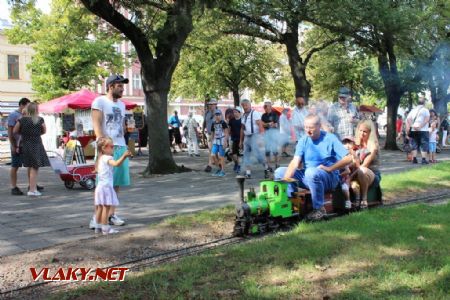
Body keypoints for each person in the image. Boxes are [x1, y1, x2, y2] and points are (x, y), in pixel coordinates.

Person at [274, 114, 352, 221]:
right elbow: (294, 162)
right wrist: (284, 181)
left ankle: (319, 209)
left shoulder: (330, 138)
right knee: (279, 171)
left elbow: (349, 159)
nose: (308, 131)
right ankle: (290, 203)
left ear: (319, 126)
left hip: (328, 177)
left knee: (311, 172)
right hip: (308, 175)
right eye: (306, 127)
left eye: (311, 128)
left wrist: (330, 168)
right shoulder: (303, 140)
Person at [90, 74, 130, 229]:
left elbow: (121, 126)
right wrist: (102, 151)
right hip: (106, 147)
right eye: (119, 86)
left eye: (123, 86)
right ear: (111, 86)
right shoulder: (99, 101)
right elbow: (97, 126)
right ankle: (96, 218)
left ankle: (111, 215)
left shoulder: (122, 105)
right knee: (103, 184)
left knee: (116, 183)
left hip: (120, 145)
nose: (122, 89)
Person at [94, 137, 132, 235]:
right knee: (106, 209)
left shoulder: (100, 158)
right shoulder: (108, 158)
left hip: (100, 187)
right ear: (104, 148)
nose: (113, 148)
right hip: (106, 187)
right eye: (111, 146)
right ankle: (105, 228)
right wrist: (124, 156)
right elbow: (116, 164)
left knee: (99, 208)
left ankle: (97, 227)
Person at [13, 102, 50, 197]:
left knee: (30, 165)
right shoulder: (39, 119)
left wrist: (24, 133)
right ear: (36, 110)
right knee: (34, 167)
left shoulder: (21, 120)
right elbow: (44, 130)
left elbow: (15, 131)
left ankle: (32, 188)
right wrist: (36, 133)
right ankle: (32, 190)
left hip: (25, 144)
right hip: (36, 144)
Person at [347, 120, 381, 209]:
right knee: (351, 182)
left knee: (362, 171)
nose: (362, 133)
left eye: (365, 131)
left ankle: (364, 199)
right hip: (356, 174)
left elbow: (364, 166)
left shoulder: (373, 146)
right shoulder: (355, 144)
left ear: (370, 132)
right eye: (360, 130)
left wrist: (350, 177)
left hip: (371, 176)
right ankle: (353, 203)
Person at [7, 97, 32, 195]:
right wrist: (13, 145)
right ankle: (13, 187)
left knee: (30, 164)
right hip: (17, 144)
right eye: (27, 105)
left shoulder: (27, 115)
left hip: (27, 144)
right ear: (22, 104)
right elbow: (10, 131)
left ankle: (32, 184)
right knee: (15, 165)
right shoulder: (13, 115)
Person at [239, 99, 266, 179]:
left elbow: (260, 125)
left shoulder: (255, 113)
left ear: (250, 105)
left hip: (255, 136)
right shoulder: (243, 115)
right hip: (247, 137)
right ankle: (248, 173)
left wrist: (261, 138)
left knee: (258, 156)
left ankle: (266, 167)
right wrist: (241, 141)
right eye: (243, 105)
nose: (245, 107)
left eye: (246, 105)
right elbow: (242, 129)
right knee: (246, 155)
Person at [406, 97, 430, 164]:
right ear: (424, 103)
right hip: (423, 130)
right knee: (423, 144)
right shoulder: (425, 110)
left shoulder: (413, 110)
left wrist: (413, 126)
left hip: (413, 130)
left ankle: (414, 159)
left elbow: (408, 119)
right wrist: (420, 126)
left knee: (414, 144)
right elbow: (427, 119)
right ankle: (423, 159)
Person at [261, 100, 280, 178]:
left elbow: (275, 124)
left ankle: (277, 165)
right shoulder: (263, 115)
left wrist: (267, 124)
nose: (265, 107)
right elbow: (262, 124)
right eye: (264, 106)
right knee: (267, 152)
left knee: (275, 151)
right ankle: (268, 167)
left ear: (270, 107)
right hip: (267, 135)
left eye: (266, 106)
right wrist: (268, 124)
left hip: (274, 135)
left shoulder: (275, 114)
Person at [210, 109, 229, 177]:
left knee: (221, 156)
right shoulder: (213, 123)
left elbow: (226, 132)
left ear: (221, 115)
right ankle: (219, 168)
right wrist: (211, 142)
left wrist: (225, 142)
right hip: (215, 141)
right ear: (214, 116)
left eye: (219, 115)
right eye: (216, 115)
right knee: (213, 155)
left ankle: (223, 171)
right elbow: (212, 133)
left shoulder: (223, 123)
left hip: (222, 140)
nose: (217, 116)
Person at [203, 98, 220, 172]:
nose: (211, 106)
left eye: (213, 104)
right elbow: (205, 122)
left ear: (216, 105)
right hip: (209, 134)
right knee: (212, 150)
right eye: (210, 104)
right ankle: (218, 164)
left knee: (213, 150)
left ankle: (209, 165)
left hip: (216, 134)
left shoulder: (218, 112)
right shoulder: (207, 112)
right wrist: (203, 129)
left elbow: (221, 123)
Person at [341, 137, 357, 209]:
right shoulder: (341, 155)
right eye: (345, 143)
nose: (347, 145)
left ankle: (349, 202)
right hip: (345, 176)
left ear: (353, 145)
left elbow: (356, 166)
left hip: (353, 175)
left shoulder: (354, 155)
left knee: (346, 187)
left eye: (349, 143)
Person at [229, 107, 242, 174]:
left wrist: (242, 140)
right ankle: (236, 163)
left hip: (241, 139)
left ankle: (239, 166)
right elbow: (229, 129)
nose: (235, 113)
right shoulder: (231, 120)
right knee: (234, 154)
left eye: (236, 112)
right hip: (233, 139)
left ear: (239, 112)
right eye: (234, 112)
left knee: (239, 154)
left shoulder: (242, 120)